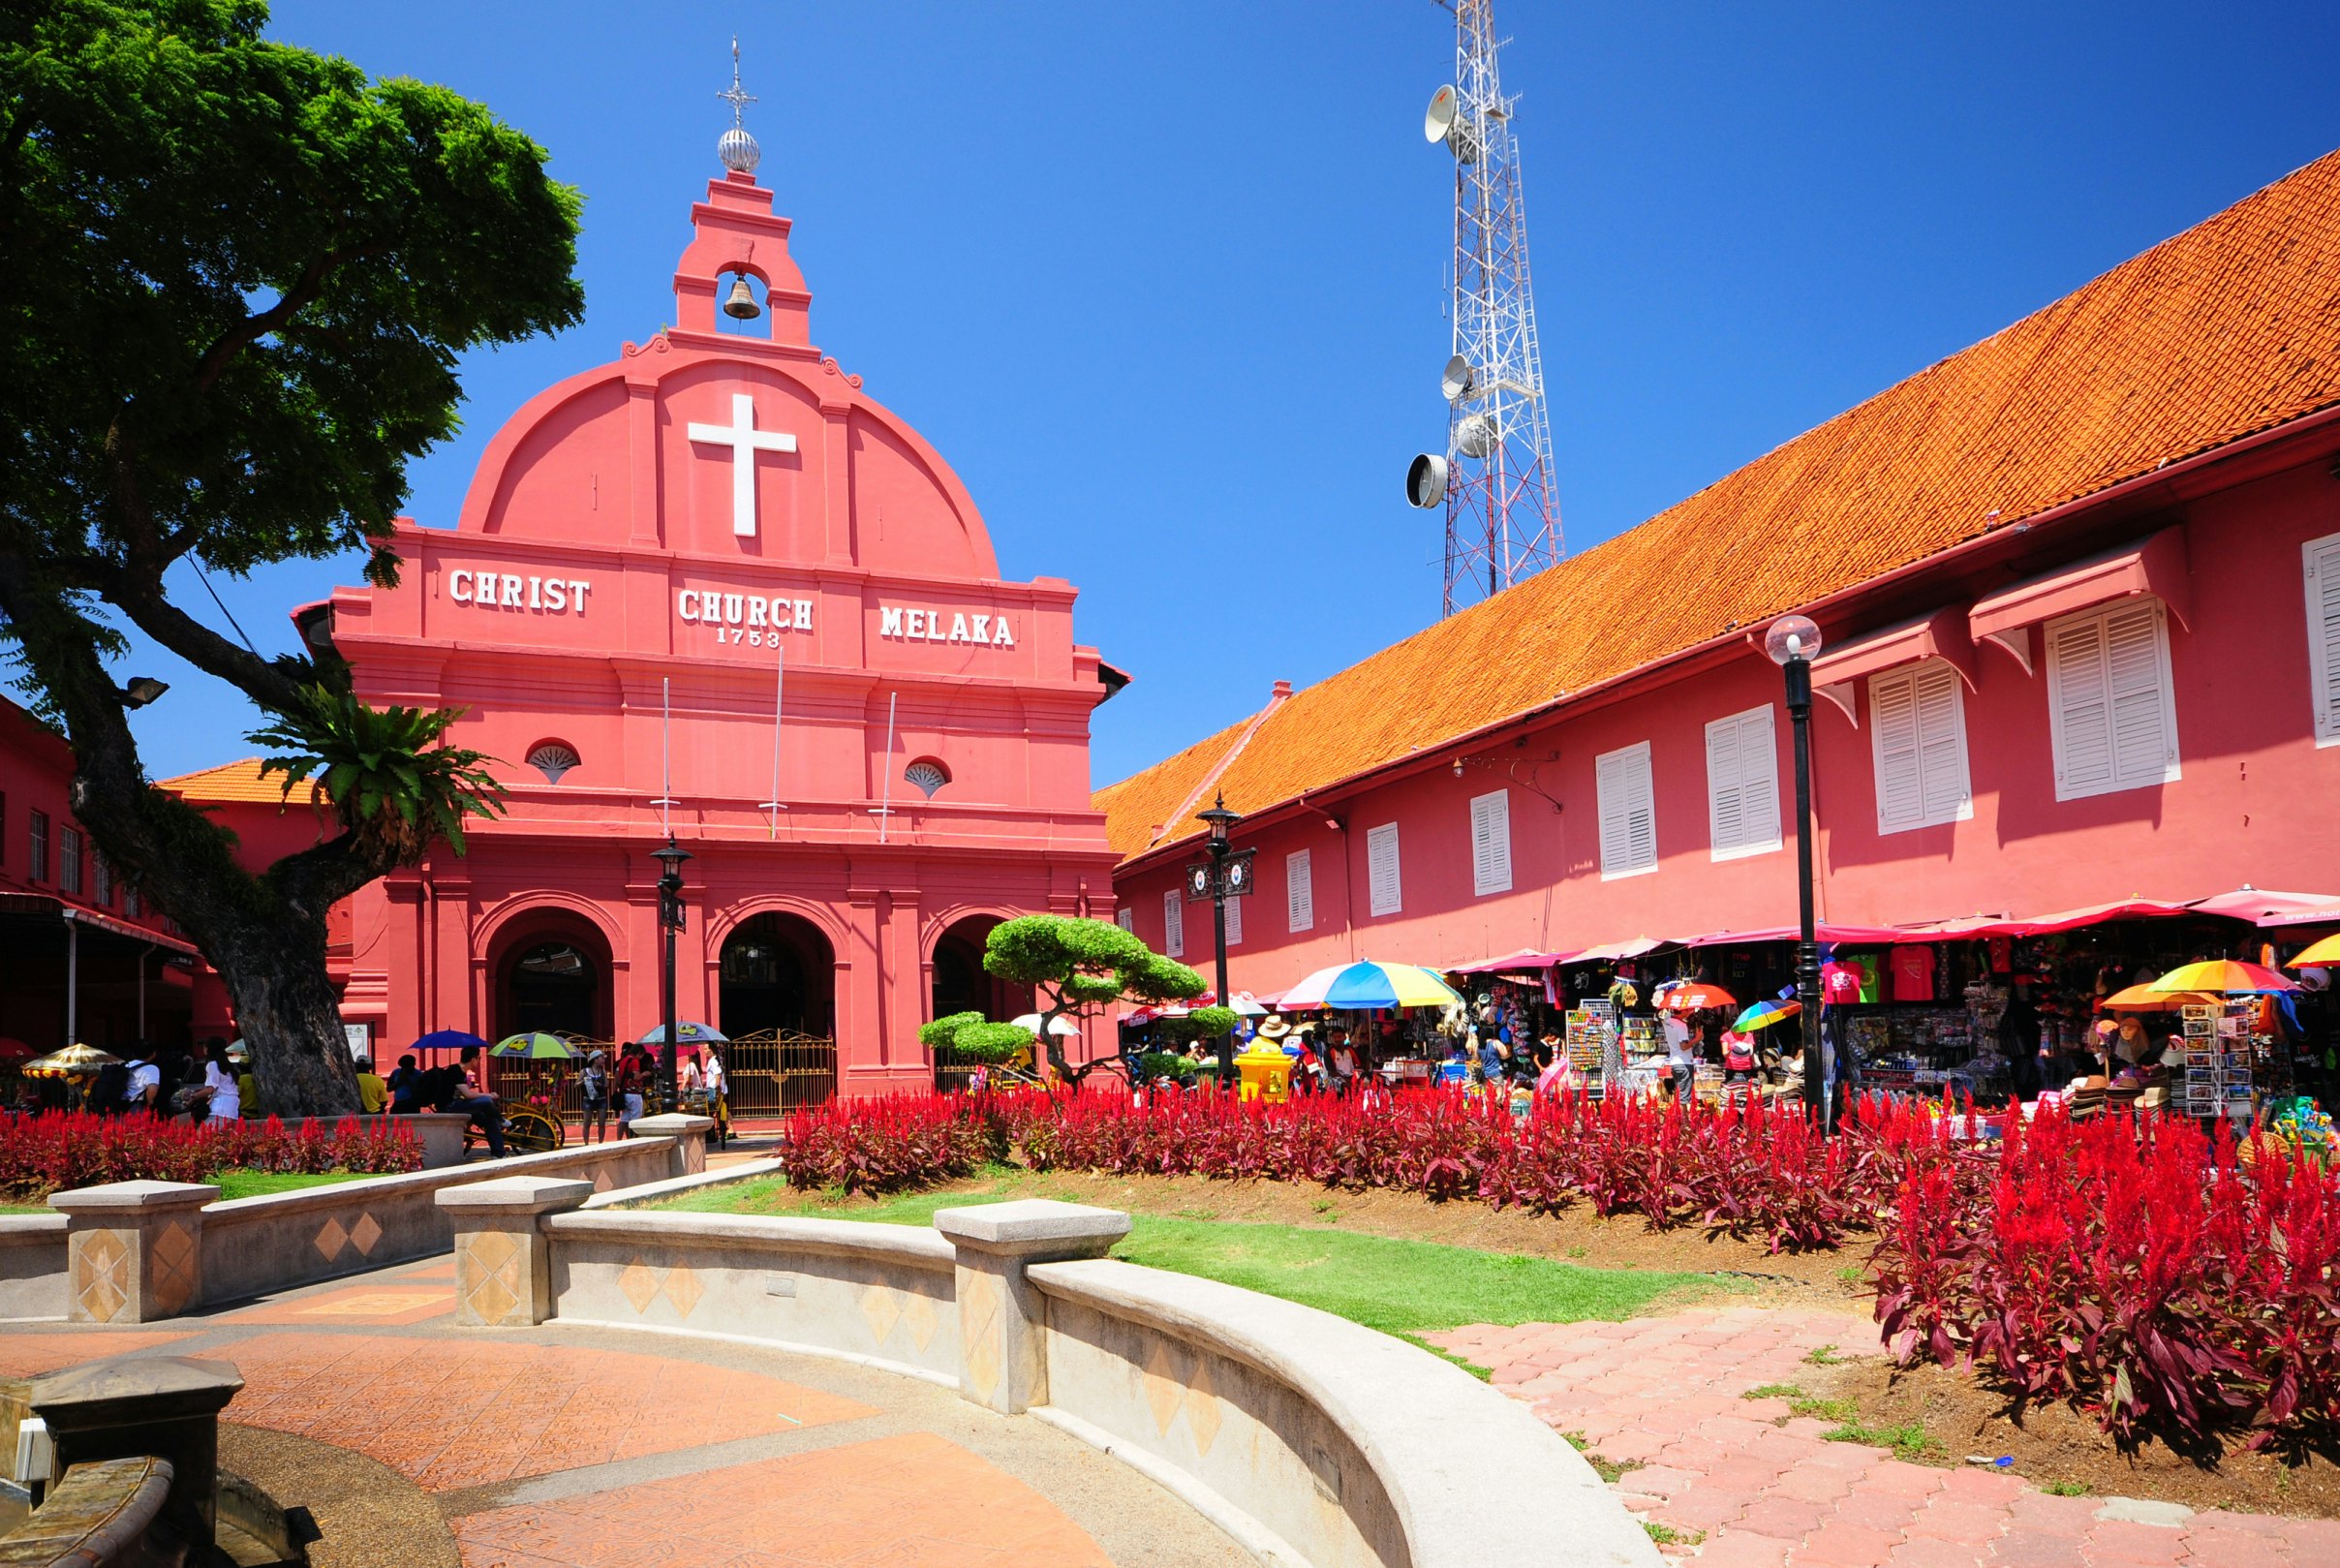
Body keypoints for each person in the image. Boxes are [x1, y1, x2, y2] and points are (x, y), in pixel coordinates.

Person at [200, 1041, 241, 1123]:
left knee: (202, 1135)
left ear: (208, 1049)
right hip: (232, 1109)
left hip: (219, 1110)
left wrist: (193, 1096)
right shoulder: (228, 1066)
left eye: (204, 1047)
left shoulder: (212, 1065)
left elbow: (210, 1089)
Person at [1662, 1011, 1699, 1102]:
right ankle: (1683, 1116)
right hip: (1684, 1063)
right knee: (1685, 1097)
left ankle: (1681, 1114)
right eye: (1688, 1009)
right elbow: (1684, 1046)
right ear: (1682, 1010)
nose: (1690, 1011)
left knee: (1679, 1093)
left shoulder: (1667, 1022)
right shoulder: (1681, 1025)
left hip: (1675, 1063)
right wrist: (1697, 1039)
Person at [615, 1046, 648, 1137]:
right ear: (638, 1053)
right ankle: (634, 1138)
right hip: (634, 1093)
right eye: (641, 1055)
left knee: (624, 1118)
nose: (641, 1057)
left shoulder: (623, 1061)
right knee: (635, 1118)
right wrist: (644, 1074)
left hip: (625, 1092)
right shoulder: (634, 1061)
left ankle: (619, 1140)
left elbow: (618, 1077)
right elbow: (636, 1077)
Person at [579, 1049, 611, 1144]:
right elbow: (576, 1084)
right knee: (587, 1122)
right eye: (601, 1058)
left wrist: (600, 1085)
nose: (603, 1060)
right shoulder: (584, 1071)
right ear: (595, 1059)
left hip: (601, 1099)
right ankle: (586, 1143)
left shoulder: (603, 1072)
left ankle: (600, 1143)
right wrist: (584, 1080)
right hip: (588, 1099)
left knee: (602, 1123)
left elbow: (607, 1085)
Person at [702, 1044, 728, 1146]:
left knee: (709, 1112)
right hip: (712, 1088)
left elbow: (717, 1075)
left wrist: (717, 1087)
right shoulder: (713, 1060)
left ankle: (711, 1134)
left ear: (711, 1050)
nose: (704, 1051)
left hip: (714, 1090)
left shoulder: (714, 1061)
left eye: (706, 1049)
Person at [1327, 1030, 1361, 1097]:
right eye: (1334, 1037)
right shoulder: (1328, 1052)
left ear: (1344, 1037)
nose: (1337, 1039)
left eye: (1339, 1037)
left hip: (1351, 1076)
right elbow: (1332, 1072)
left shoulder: (1351, 1050)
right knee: (1348, 1087)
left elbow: (1358, 1065)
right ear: (1331, 1039)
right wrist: (1348, 1081)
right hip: (1336, 1077)